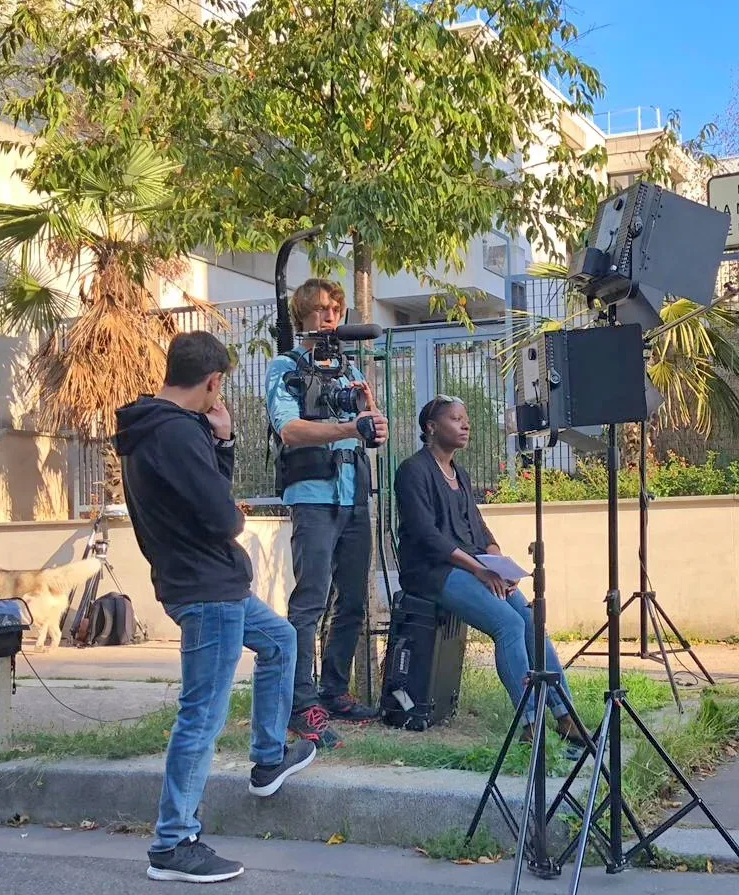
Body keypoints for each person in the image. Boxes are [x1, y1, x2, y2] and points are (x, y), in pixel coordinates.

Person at [116, 331, 317, 884]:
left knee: (281, 639)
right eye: (219, 387)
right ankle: (173, 842)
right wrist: (229, 495)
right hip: (207, 587)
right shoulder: (176, 434)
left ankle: (269, 758)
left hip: (203, 582)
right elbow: (222, 515)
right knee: (201, 715)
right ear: (212, 381)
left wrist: (222, 444)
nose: (218, 397)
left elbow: (200, 495)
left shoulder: (149, 428)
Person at [394, 396, 578, 744]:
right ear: (431, 427)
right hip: (432, 571)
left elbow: (479, 529)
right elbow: (427, 536)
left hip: (474, 566)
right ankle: (530, 723)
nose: (465, 425)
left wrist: (498, 563)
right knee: (507, 624)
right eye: (455, 419)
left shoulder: (458, 474)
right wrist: (480, 570)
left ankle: (565, 716)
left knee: (529, 620)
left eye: (466, 419)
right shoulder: (413, 470)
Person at [265, 278, 388, 744]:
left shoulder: (349, 367)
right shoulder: (285, 366)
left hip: (354, 493)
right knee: (311, 600)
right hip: (313, 494)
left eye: (335, 309)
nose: (329, 317)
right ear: (302, 317)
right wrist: (347, 427)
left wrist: (373, 423)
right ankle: (301, 702)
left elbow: (373, 429)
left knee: (353, 599)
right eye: (319, 310)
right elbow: (290, 430)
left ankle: (335, 691)